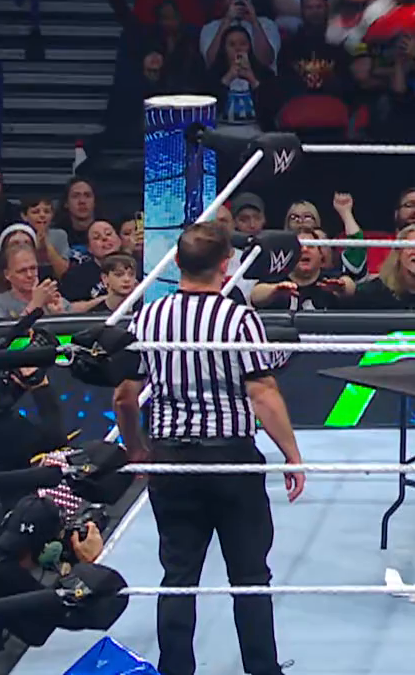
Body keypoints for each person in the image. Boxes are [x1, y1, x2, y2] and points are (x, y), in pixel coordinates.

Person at [112, 223, 304, 675]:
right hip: (230, 459)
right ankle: (263, 669)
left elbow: (124, 396)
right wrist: (292, 455)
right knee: (250, 575)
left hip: (172, 460)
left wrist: (136, 448)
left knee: (178, 576)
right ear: (226, 264)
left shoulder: (148, 318)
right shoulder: (237, 319)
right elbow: (262, 392)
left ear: (177, 262)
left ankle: (175, 669)